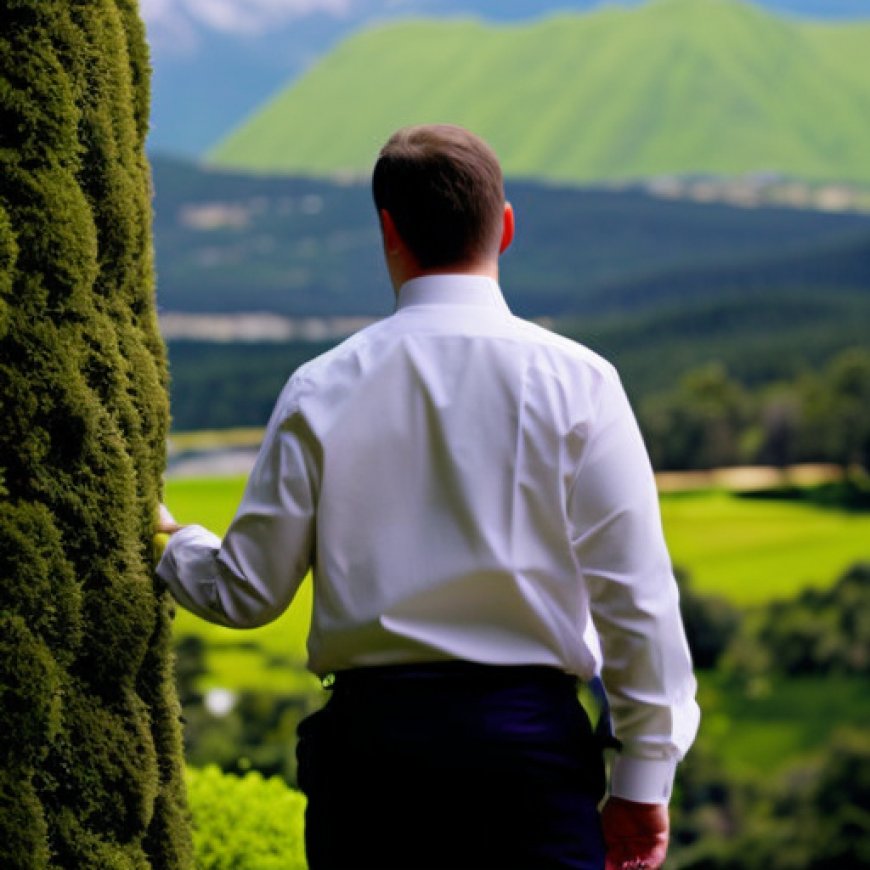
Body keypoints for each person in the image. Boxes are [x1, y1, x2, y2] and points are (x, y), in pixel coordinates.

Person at [157, 124, 699, 870]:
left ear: (389, 231)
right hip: (530, 757)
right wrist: (644, 778)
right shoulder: (583, 383)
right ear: (504, 226)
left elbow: (247, 592)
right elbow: (637, 598)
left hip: (373, 760)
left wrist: (168, 539)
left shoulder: (321, 387)